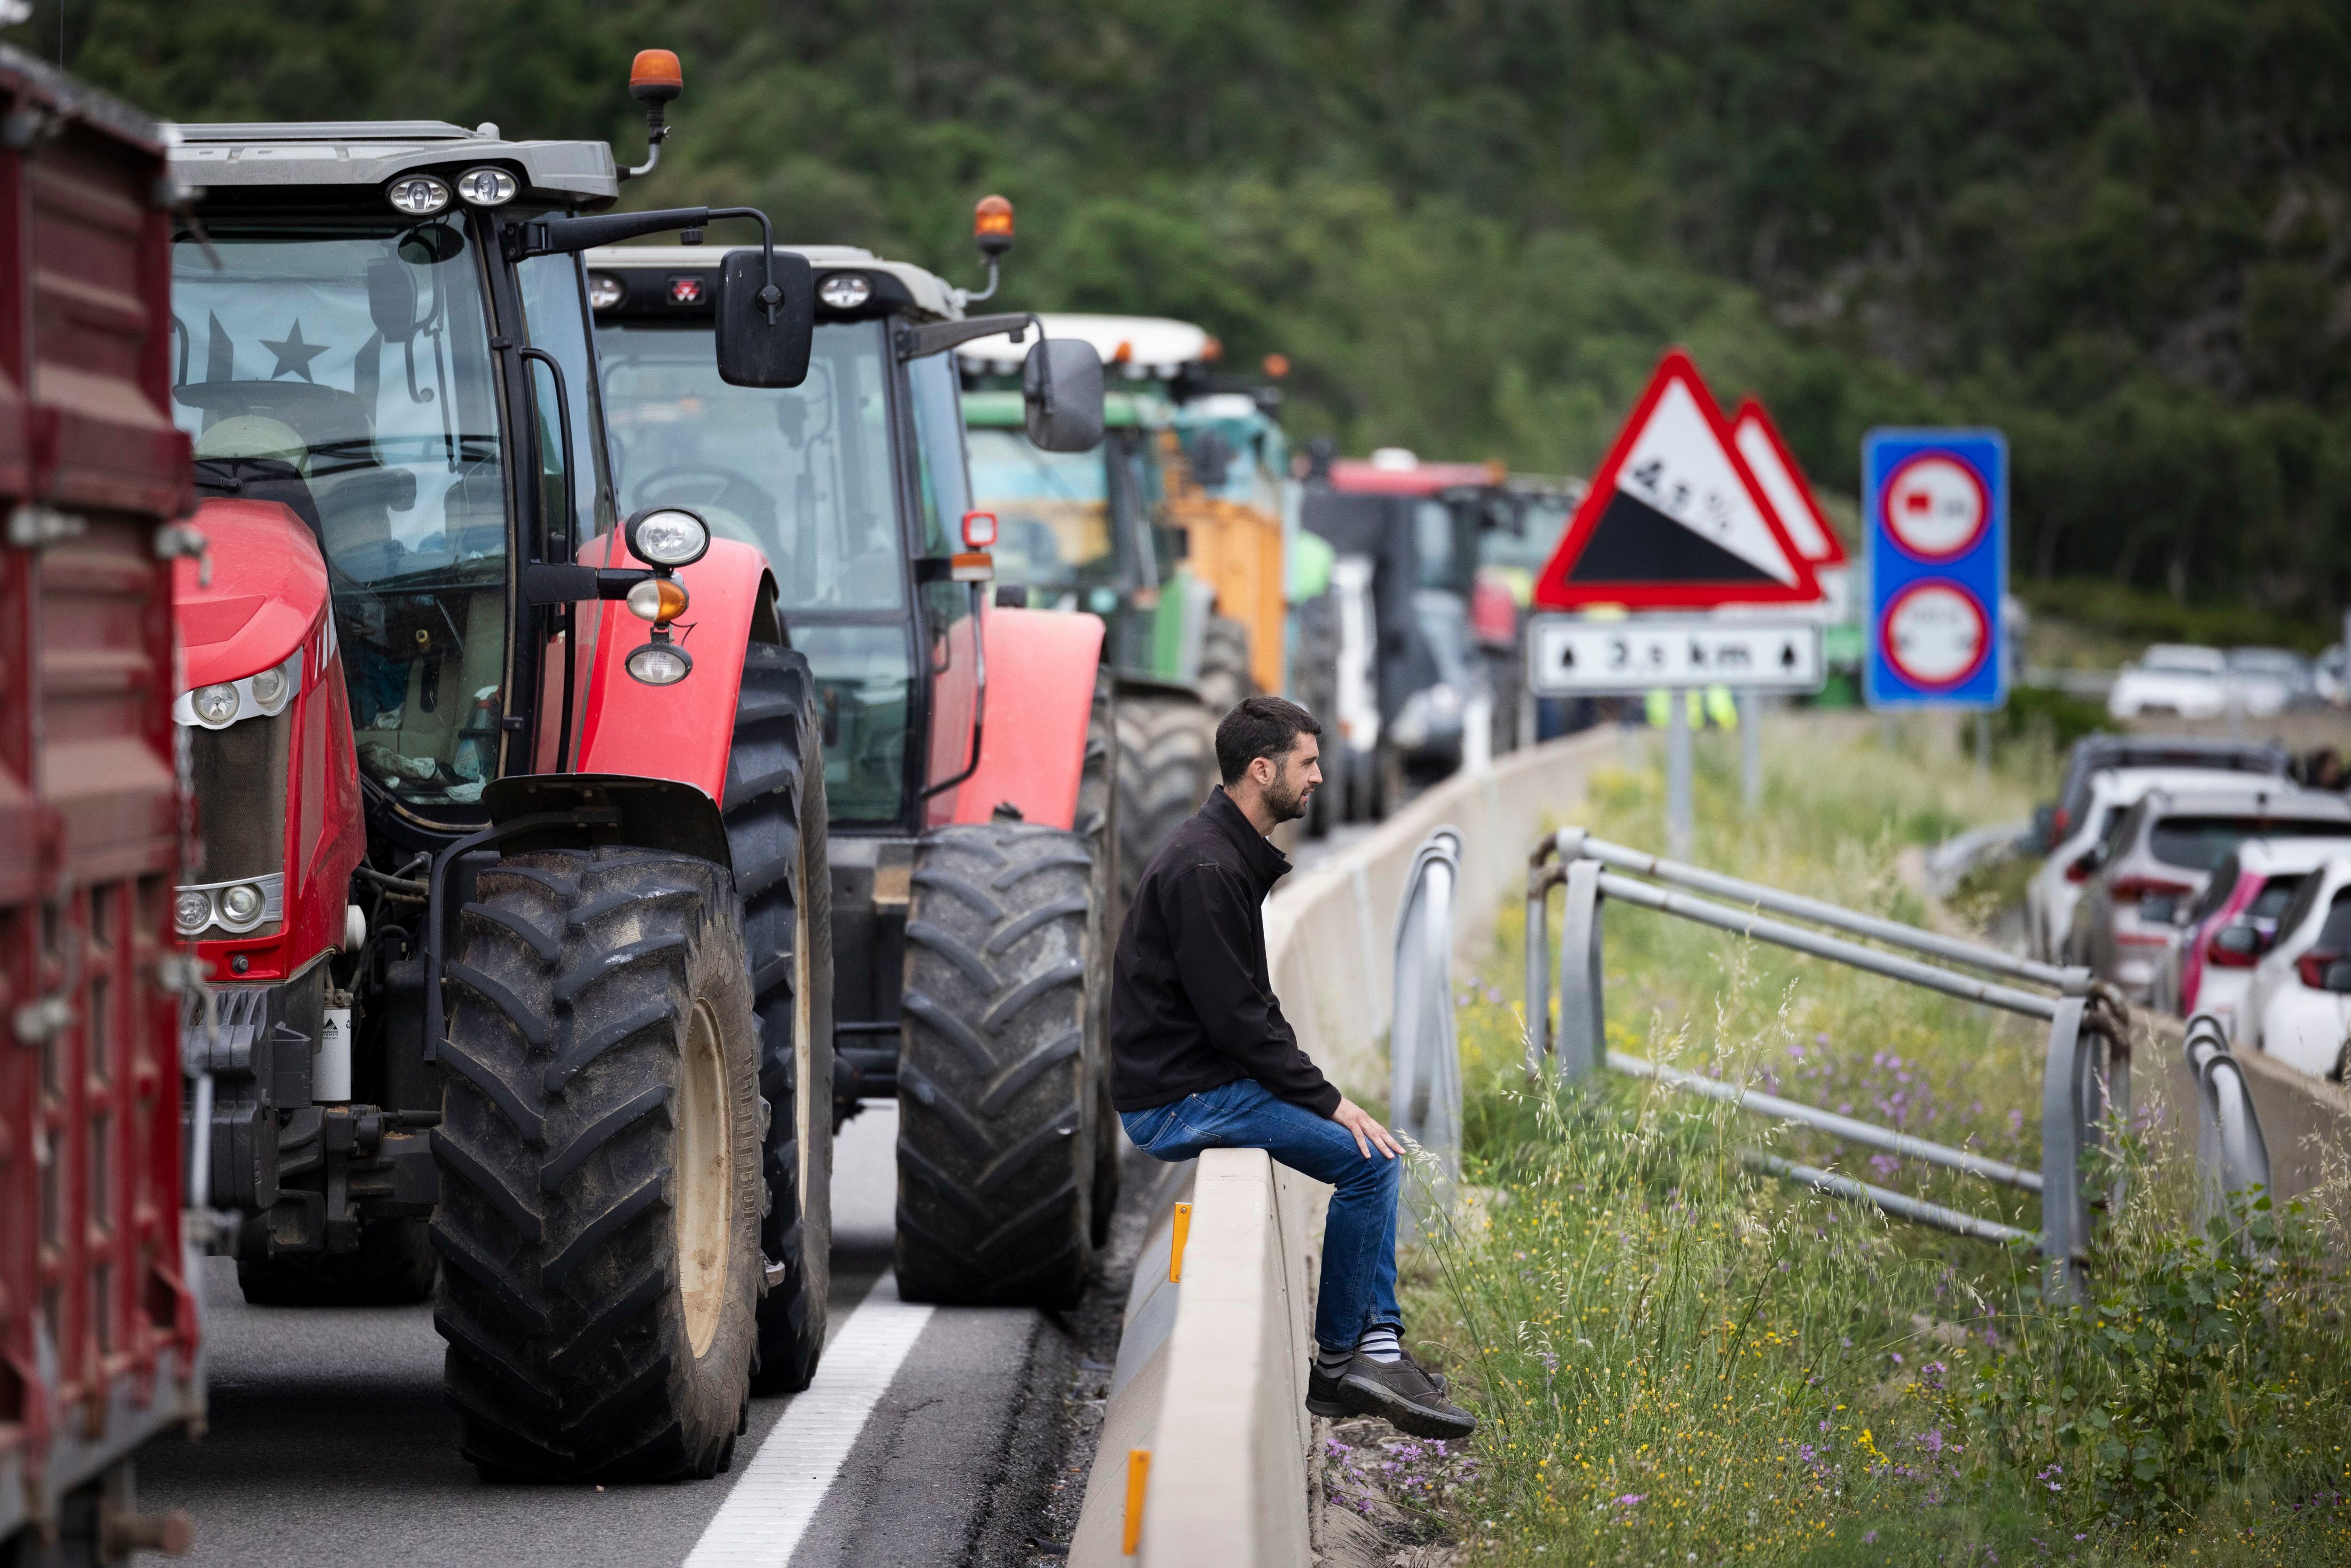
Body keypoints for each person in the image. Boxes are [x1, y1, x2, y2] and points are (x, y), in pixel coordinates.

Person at [1109, 695, 1474, 1440]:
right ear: (1261, 769)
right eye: (1307, 763)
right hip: (1178, 1100)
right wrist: (1331, 1102)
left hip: (1200, 1082)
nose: (1318, 777)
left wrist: (1320, 1095)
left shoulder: (1224, 854)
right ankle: (1345, 1361)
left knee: (1375, 1153)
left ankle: (1376, 1346)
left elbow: (1251, 1010)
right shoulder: (1207, 868)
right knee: (1369, 1164)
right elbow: (1239, 1022)